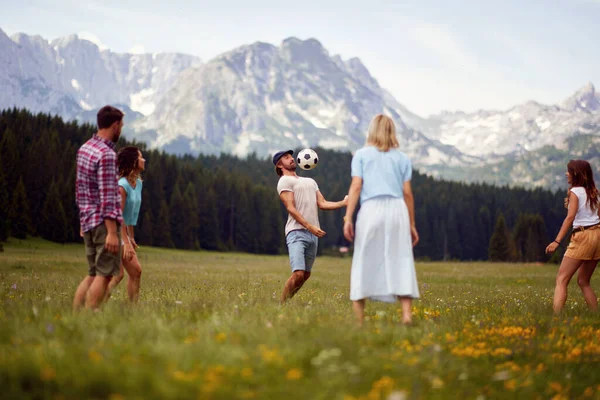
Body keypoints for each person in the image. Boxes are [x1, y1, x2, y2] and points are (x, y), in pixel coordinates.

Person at [343, 114, 420, 326]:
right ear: (391, 132)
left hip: (371, 209)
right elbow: (407, 194)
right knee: (402, 258)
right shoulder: (402, 158)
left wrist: (348, 217)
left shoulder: (361, 155)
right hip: (397, 210)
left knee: (363, 258)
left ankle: (359, 320)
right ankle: (406, 316)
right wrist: (411, 224)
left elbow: (356, 186)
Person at [274, 149, 348, 303]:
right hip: (296, 232)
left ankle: (287, 302)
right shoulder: (284, 182)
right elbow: (290, 207)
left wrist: (343, 202)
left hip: (313, 234)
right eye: (286, 158)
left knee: (306, 275)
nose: (292, 159)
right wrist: (309, 226)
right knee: (299, 273)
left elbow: (322, 203)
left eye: (291, 157)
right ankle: (280, 306)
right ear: (280, 165)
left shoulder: (310, 181)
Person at [73, 105, 124, 311]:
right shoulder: (107, 155)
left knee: (93, 273)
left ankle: (75, 317)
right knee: (105, 275)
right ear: (114, 125)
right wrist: (112, 232)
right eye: (121, 125)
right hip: (104, 223)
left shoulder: (85, 148)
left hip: (88, 220)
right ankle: (89, 317)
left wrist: (82, 220)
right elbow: (107, 196)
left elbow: (81, 189)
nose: (121, 129)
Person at [546, 160, 600, 313]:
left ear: (576, 173)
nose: (566, 174)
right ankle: (595, 316)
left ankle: (556, 317)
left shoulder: (575, 192)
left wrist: (557, 241)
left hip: (583, 236)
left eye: (568, 171)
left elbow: (570, 218)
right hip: (597, 235)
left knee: (561, 280)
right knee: (584, 281)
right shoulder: (594, 192)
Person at [104, 146, 145, 303]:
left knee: (131, 273)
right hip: (112, 231)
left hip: (123, 232)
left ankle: (130, 310)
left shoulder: (138, 184)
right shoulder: (122, 186)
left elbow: (130, 214)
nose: (144, 160)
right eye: (141, 157)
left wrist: (131, 237)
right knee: (124, 273)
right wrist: (126, 242)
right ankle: (95, 305)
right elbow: (118, 216)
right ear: (134, 162)